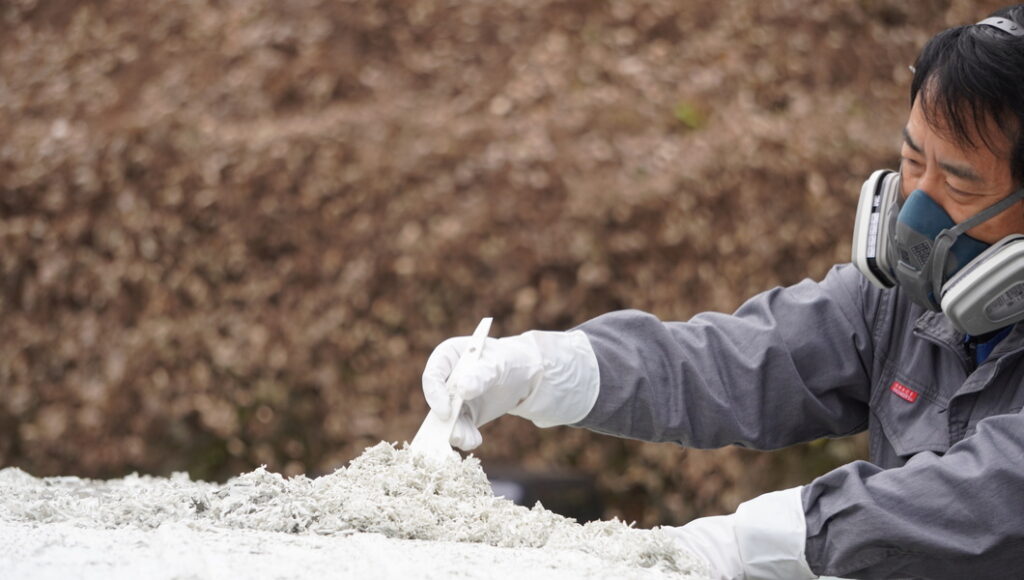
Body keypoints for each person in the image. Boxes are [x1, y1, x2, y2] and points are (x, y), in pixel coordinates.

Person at [421, 6, 1024, 579]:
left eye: (960, 185)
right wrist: (544, 368)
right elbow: (738, 361)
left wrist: (763, 540)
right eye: (913, 162)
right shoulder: (894, 300)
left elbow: (993, 492)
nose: (916, 207)